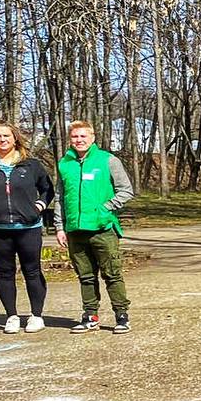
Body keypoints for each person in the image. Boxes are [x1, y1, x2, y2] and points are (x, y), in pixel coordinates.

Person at [0, 122, 55, 334]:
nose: (2, 139)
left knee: (32, 271)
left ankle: (36, 315)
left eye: (6, 135)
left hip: (28, 227)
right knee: (5, 272)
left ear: (15, 138)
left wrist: (39, 207)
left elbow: (47, 190)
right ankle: (11, 316)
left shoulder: (31, 165)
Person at [53, 121, 134, 335]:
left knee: (112, 274)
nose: (79, 140)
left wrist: (105, 208)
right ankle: (90, 316)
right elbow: (60, 197)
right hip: (75, 231)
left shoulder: (108, 160)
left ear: (92, 138)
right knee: (85, 276)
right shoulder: (64, 164)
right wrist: (60, 226)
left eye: (83, 136)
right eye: (75, 137)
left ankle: (121, 315)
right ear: (70, 139)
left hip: (103, 229)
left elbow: (126, 190)